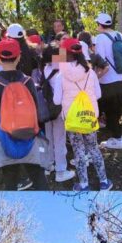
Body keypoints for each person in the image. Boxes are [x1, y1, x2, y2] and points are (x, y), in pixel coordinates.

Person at [0, 38, 48, 191]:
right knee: (38, 175)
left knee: (10, 180)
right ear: (19, 57)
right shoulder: (28, 81)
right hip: (29, 137)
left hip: (5, 138)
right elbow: (36, 110)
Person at [58, 37, 112, 191]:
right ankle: (104, 181)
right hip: (88, 116)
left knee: (78, 150)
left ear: (64, 53)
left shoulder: (61, 75)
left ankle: (83, 184)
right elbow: (98, 94)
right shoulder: (91, 73)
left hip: (72, 118)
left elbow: (56, 100)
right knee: (93, 147)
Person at [92, 13, 122, 149]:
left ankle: (117, 138)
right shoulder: (119, 35)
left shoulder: (100, 38)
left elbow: (99, 59)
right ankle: (118, 136)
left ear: (100, 25)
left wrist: (95, 75)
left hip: (108, 79)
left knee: (111, 110)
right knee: (117, 110)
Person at [42, 45, 74, 183]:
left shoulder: (46, 69)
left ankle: (48, 166)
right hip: (59, 109)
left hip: (47, 109)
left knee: (48, 137)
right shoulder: (62, 72)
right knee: (60, 139)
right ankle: (61, 170)